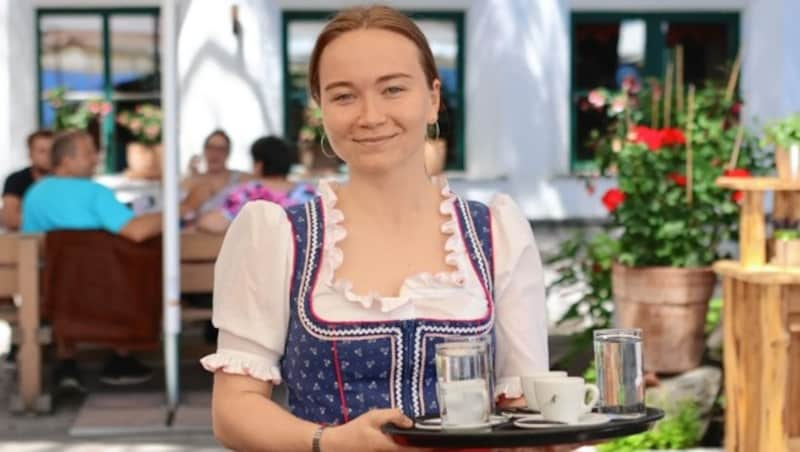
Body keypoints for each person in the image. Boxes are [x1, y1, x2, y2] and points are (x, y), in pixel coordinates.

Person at [202, 6, 565, 452]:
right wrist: (330, 442)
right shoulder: (276, 236)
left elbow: (522, 407)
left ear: (433, 98)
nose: (370, 116)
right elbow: (233, 410)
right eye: (343, 96)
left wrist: (559, 431)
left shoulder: (497, 233)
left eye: (393, 89)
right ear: (321, 109)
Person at [22, 130, 204, 390]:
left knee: (65, 277)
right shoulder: (93, 193)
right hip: (106, 294)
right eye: (88, 153)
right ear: (66, 161)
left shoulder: (34, 194)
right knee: (131, 265)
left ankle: (67, 364)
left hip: (53, 294)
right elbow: (136, 231)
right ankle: (121, 357)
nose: (95, 158)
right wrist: (182, 209)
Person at [195, 135, 315, 234]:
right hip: (299, 260)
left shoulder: (248, 192)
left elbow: (212, 223)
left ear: (259, 164)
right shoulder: (308, 193)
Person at [182, 129, 252, 216]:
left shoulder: (242, 178)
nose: (215, 154)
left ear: (228, 153)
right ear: (204, 151)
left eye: (221, 149)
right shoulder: (190, 181)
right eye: (211, 148)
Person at [1, 129, 53, 230]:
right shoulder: (16, 180)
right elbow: (11, 219)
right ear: (30, 154)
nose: (48, 156)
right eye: (42, 151)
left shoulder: (66, 180)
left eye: (52, 151)